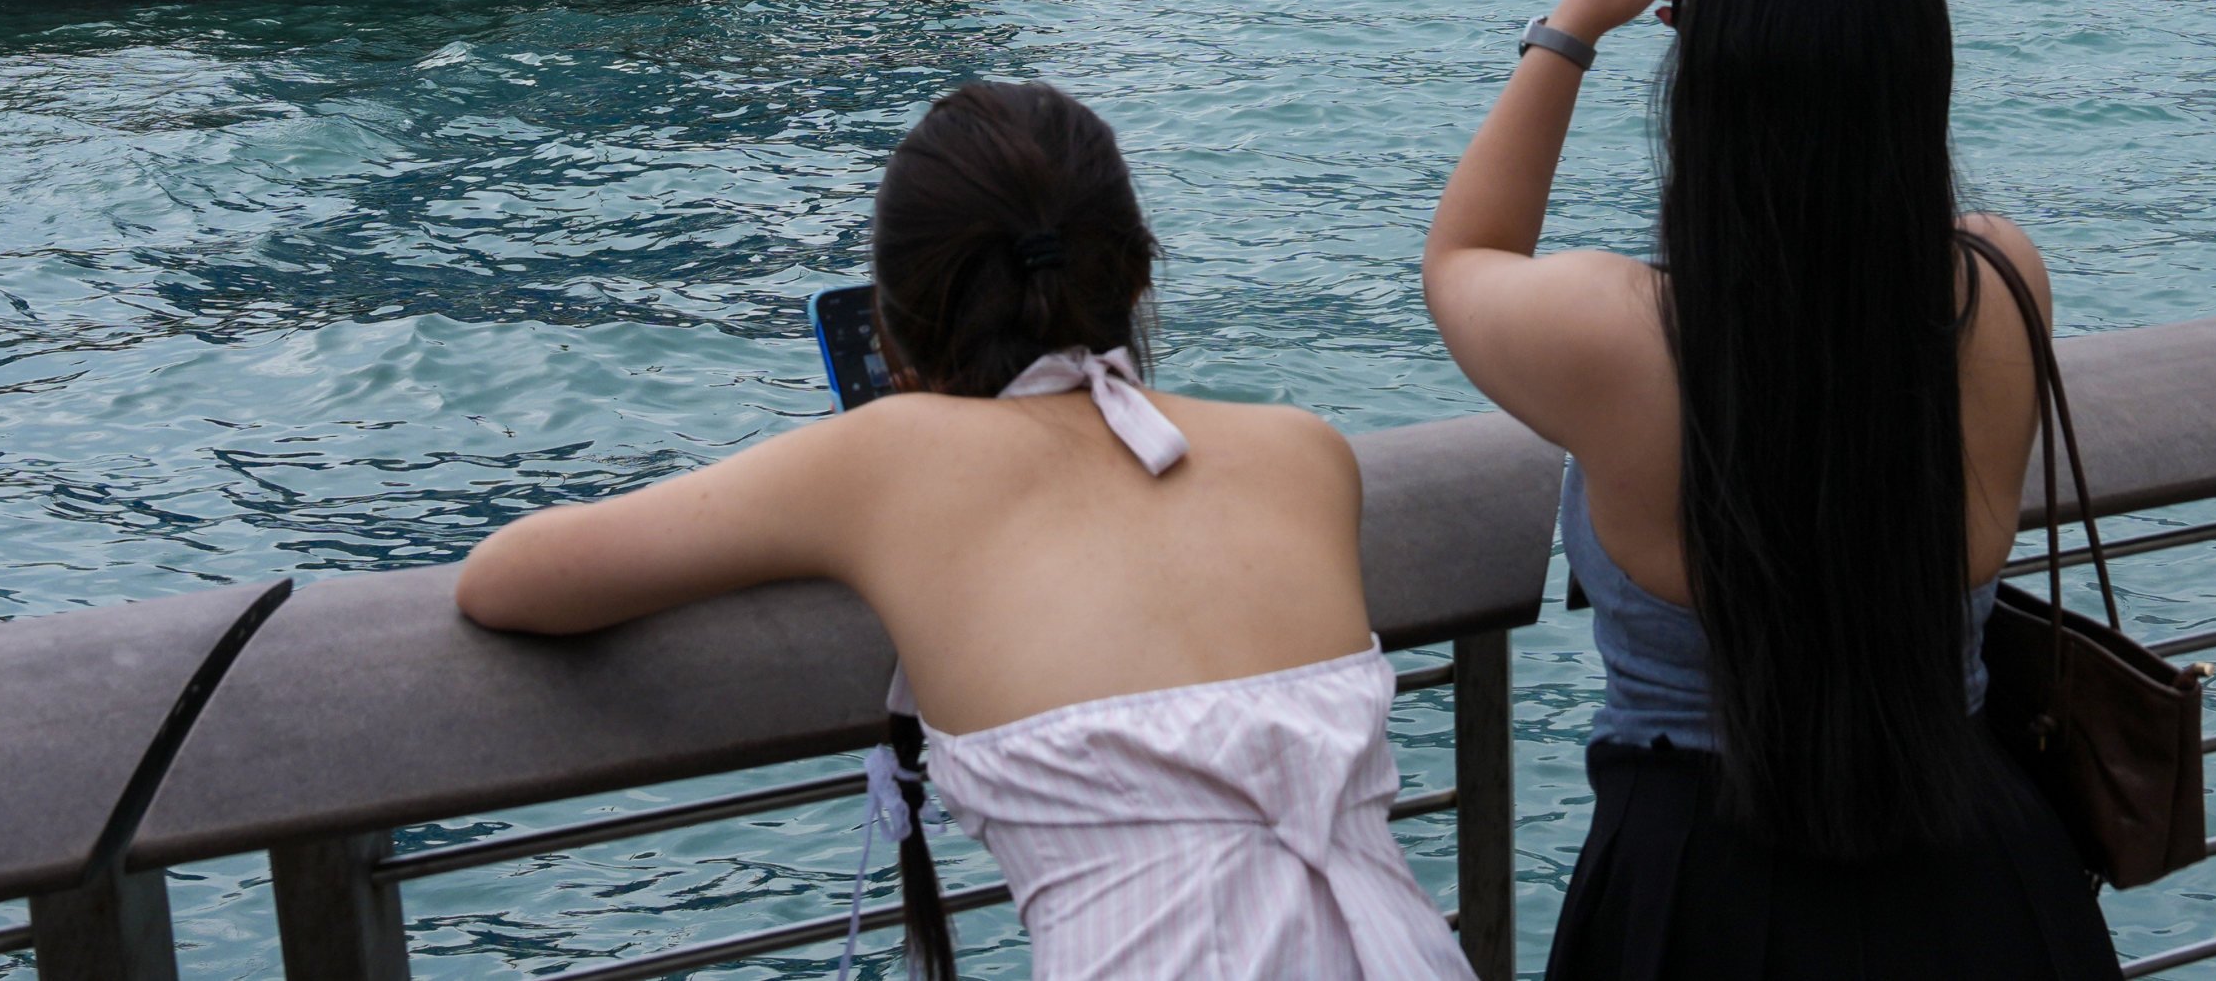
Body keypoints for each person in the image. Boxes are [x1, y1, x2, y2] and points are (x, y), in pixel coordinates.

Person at [457, 82, 1467, 981]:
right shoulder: (1308, 453)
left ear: (893, 334)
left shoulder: (889, 460)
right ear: (1138, 281)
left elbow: (508, 579)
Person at [1422, 0, 2115, 979]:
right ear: (1919, 83)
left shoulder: (1616, 334)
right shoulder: (1999, 279)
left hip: (1697, 889)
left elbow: (1465, 256)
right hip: (1983, 873)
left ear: (1711, 97)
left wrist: (1574, 24)